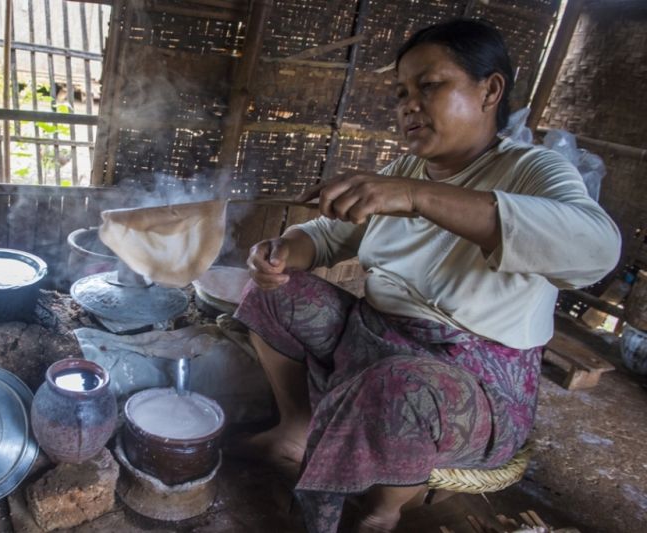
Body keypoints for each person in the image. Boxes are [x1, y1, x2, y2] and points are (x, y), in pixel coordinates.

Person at [232, 18, 621, 533]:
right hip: (372, 340)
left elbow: (597, 249)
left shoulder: (534, 171)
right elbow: (327, 235)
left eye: (429, 86)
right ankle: (294, 431)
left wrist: (417, 198)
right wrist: (283, 252)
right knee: (277, 295)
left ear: (490, 90)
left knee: (399, 388)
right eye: (401, 93)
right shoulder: (405, 172)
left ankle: (385, 508)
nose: (408, 104)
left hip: (470, 383)